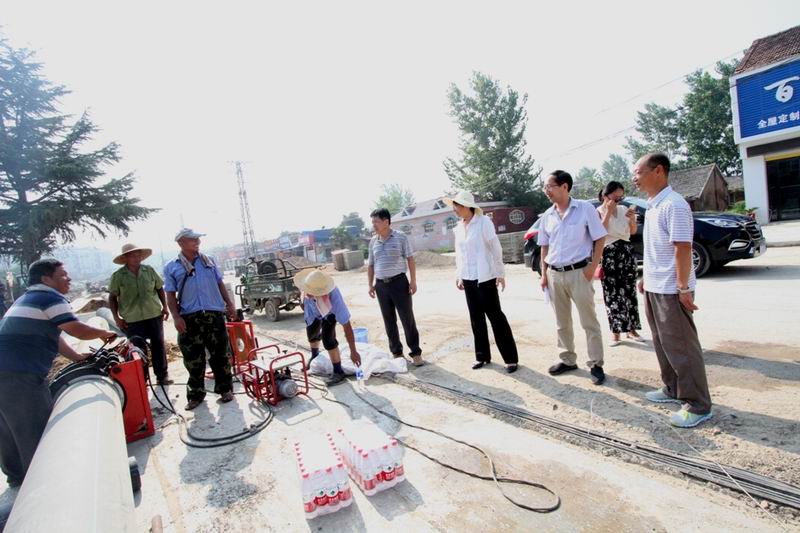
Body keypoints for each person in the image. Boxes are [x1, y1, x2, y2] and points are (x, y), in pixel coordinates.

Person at [0, 259, 116, 487]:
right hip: (20, 374)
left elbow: (54, 335)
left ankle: (16, 476)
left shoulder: (27, 299)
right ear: (46, 279)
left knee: (8, 426)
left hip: (5, 370)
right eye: (63, 274)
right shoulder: (49, 298)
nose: (68, 278)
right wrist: (104, 333)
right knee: (34, 427)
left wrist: (77, 357)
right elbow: (76, 329)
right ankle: (45, 485)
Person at [633, 153, 713, 428]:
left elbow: (682, 248)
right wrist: (645, 277)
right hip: (654, 286)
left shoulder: (674, 205)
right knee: (662, 343)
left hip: (671, 289)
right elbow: (657, 249)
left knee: (682, 348)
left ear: (658, 171)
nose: (634, 178)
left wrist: (683, 288)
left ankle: (698, 405)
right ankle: (672, 388)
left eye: (638, 172)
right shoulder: (653, 205)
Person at [538, 170, 609, 385]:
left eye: (550, 186)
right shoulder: (548, 215)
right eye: (545, 187)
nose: (546, 191)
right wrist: (544, 274)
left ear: (565, 186)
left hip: (579, 272)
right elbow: (544, 246)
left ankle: (596, 363)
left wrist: (592, 267)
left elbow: (600, 238)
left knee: (589, 321)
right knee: (562, 322)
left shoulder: (585, 209)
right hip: (554, 274)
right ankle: (567, 359)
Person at [445, 191, 519, 373]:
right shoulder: (458, 228)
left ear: (466, 206)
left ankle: (510, 359)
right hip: (468, 278)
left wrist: (500, 273)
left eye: (457, 206)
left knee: (496, 317)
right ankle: (482, 356)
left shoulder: (483, 222)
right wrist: (459, 275)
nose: (454, 210)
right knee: (476, 318)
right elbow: (460, 254)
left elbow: (495, 247)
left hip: (485, 277)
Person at [164, 229, 235, 410]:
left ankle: (225, 389)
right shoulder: (172, 266)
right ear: (181, 243)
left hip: (214, 314)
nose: (197, 242)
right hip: (189, 318)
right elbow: (170, 295)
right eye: (192, 240)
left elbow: (219, 283)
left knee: (220, 355)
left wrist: (230, 304)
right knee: (193, 359)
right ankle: (195, 395)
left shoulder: (209, 261)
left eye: (197, 239)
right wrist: (176, 317)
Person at [367, 208, 424, 367]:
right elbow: (371, 265)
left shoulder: (400, 237)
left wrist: (413, 281)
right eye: (372, 222)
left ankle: (416, 352)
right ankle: (397, 352)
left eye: (376, 222)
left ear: (386, 222)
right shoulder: (373, 241)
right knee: (389, 320)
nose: (373, 225)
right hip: (381, 286)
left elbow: (410, 259)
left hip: (399, 283)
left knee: (407, 318)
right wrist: (370, 284)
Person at [109, 243, 172, 384]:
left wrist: (165, 307)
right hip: (132, 319)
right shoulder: (118, 276)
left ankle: (162, 376)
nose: (136, 258)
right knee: (138, 350)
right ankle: (142, 380)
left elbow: (160, 289)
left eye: (138, 255)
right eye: (133, 255)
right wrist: (116, 317)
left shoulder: (149, 271)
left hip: (153, 314)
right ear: (126, 258)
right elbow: (112, 298)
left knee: (158, 345)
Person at [596, 181, 645, 347]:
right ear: (605, 196)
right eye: (615, 197)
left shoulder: (624, 209)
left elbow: (632, 232)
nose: (618, 201)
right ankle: (615, 331)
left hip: (626, 251)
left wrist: (632, 220)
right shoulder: (598, 211)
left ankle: (632, 329)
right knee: (612, 293)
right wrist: (608, 212)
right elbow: (600, 233)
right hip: (609, 253)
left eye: (620, 198)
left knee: (630, 291)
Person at [295, 268, 362, 386]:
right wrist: (304, 301)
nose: (307, 293)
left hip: (329, 313)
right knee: (312, 334)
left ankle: (338, 371)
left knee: (328, 339)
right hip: (312, 310)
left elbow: (346, 325)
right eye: (307, 291)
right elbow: (303, 298)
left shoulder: (334, 296)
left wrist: (353, 351)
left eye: (311, 292)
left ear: (321, 292)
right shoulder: (308, 284)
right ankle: (314, 356)